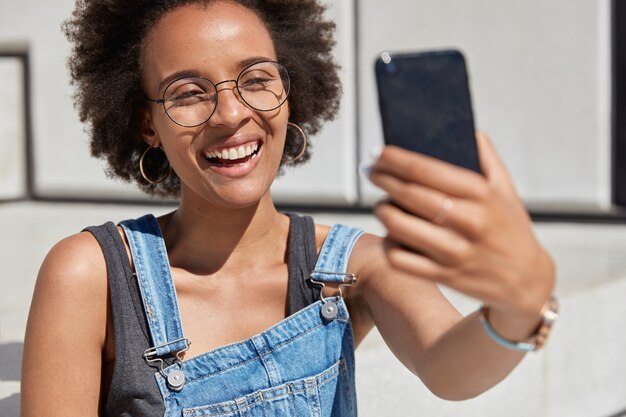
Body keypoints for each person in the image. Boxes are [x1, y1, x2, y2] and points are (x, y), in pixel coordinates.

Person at [20, 0, 557, 415]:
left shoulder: (353, 266)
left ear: (290, 93)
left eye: (256, 79)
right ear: (146, 125)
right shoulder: (91, 274)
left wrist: (521, 302)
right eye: (188, 92)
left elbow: (449, 368)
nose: (230, 113)